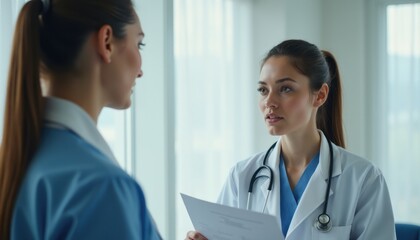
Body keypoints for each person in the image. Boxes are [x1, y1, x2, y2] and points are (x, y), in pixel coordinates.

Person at [186, 39, 396, 240]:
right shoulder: (242, 177)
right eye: (263, 90)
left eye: (285, 89)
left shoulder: (363, 179)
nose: (269, 102)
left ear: (320, 95)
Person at [0, 0, 161, 239]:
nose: (140, 70)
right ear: (106, 41)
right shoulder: (102, 187)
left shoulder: (17, 161)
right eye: (139, 44)